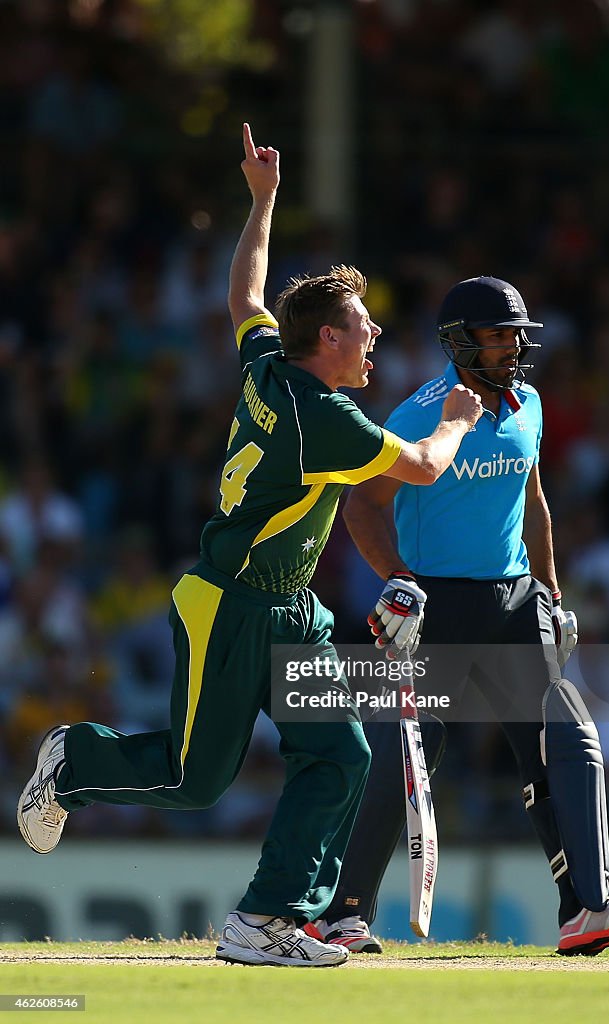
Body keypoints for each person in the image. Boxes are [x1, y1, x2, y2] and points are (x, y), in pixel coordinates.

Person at [16, 124, 483, 968]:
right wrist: (454, 419)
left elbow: (245, 297)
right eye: (361, 326)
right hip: (230, 604)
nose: (374, 336)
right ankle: (73, 758)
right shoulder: (323, 417)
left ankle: (268, 919)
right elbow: (418, 466)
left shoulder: (272, 362)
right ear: (327, 342)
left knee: (339, 752)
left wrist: (262, 201)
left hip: (291, 610)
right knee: (196, 781)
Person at [311, 275, 609, 956]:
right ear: (457, 342)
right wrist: (397, 582)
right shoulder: (422, 414)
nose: (509, 346)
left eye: (515, 335)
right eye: (495, 334)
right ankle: (342, 914)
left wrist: (552, 593)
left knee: (565, 740)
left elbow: (533, 502)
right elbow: (360, 505)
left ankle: (588, 909)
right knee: (408, 755)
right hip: (436, 604)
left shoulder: (527, 404)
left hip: (514, 603)